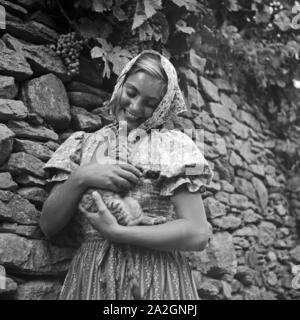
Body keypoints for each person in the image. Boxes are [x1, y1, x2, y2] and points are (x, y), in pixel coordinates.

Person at [40, 50, 214, 300]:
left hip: (157, 281)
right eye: (131, 93)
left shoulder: (181, 147)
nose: (135, 107)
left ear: (164, 105)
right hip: (91, 281)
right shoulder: (80, 144)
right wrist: (82, 176)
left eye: (150, 103)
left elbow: (199, 234)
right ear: (120, 83)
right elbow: (48, 225)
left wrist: (120, 234)